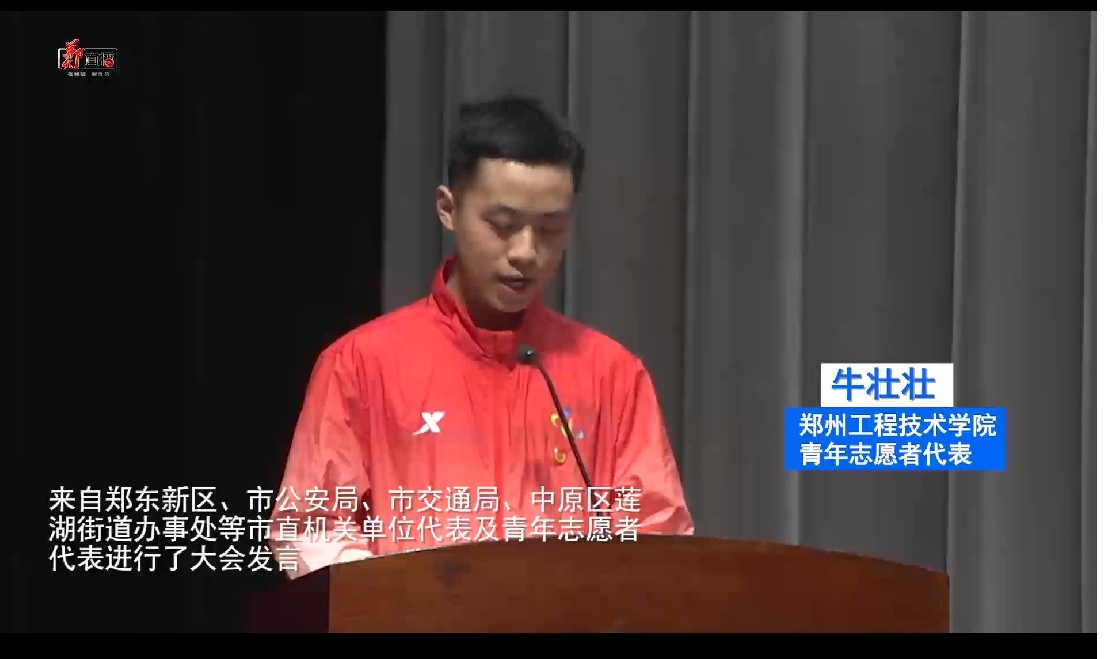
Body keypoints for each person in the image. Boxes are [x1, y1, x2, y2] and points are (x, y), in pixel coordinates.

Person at [269, 95, 693, 579]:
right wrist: (400, 603)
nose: (526, 252)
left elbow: (657, 535)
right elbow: (309, 531)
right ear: (448, 209)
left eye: (550, 229)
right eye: (503, 226)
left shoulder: (611, 373)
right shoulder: (362, 363)